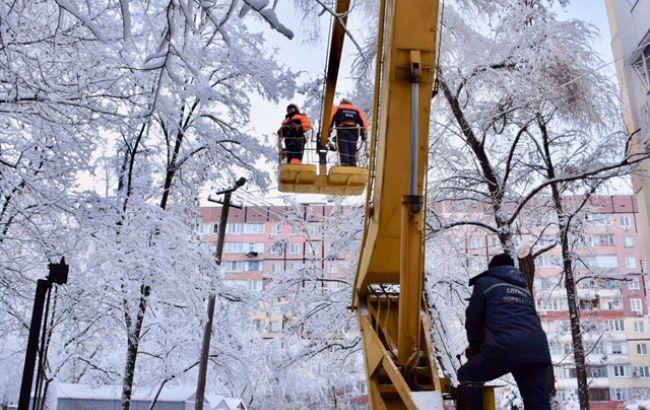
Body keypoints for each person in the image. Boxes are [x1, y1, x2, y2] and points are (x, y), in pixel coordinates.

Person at [458, 253, 552, 410]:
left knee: (468, 374)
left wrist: (475, 347)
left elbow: (474, 321)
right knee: (538, 405)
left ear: (492, 269)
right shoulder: (524, 290)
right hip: (538, 351)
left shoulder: (485, 282)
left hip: (506, 346)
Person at [330, 98, 369, 166]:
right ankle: (352, 164)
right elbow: (364, 122)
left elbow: (330, 120)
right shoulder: (356, 109)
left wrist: (328, 133)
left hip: (342, 129)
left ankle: (345, 164)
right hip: (354, 129)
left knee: (343, 147)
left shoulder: (338, 108)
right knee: (352, 147)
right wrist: (363, 135)